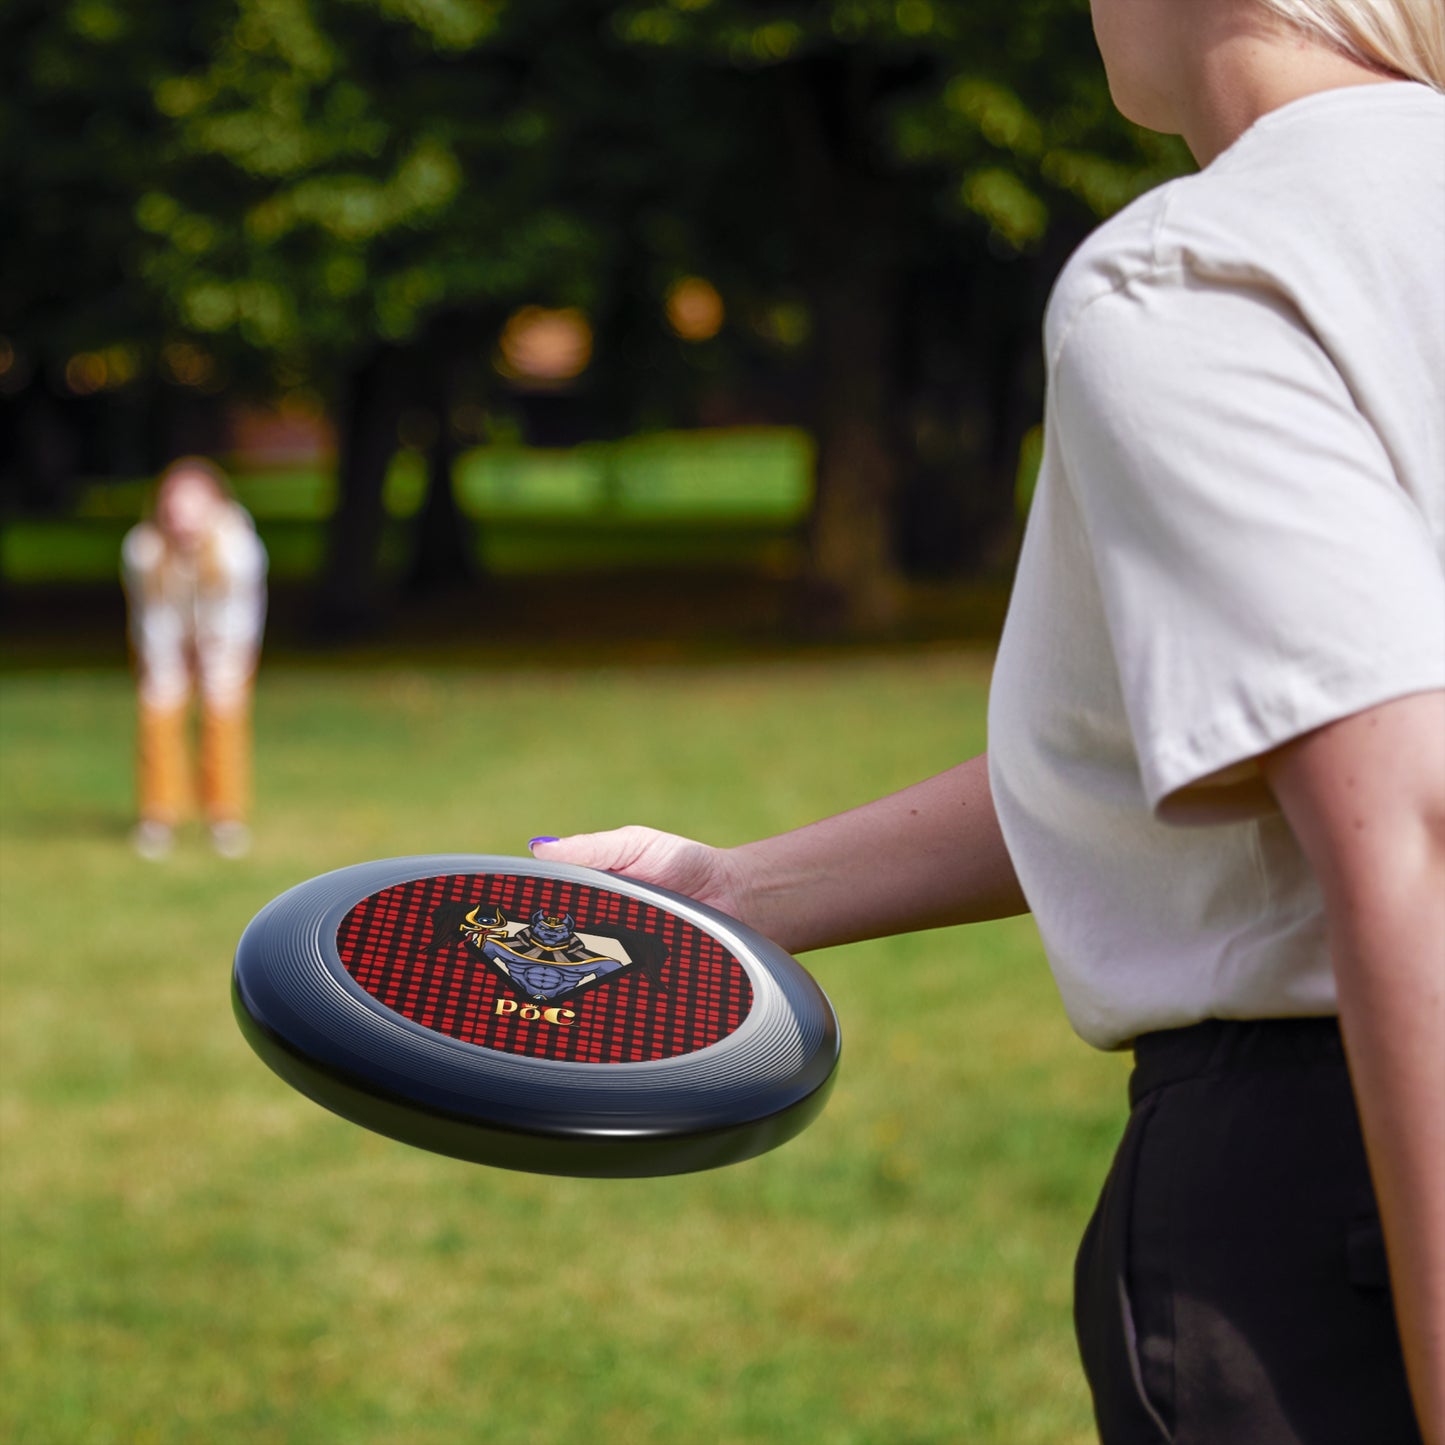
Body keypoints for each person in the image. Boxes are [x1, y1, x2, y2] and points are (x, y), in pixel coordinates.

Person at [528, 2, 1445, 1441]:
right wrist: (737, 891)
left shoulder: (1203, 270)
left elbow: (1408, 820)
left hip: (1341, 1191)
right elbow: (1223, 739)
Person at [121, 457, 268, 860]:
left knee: (223, 717)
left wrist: (214, 658)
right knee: (158, 713)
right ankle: (158, 816)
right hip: (165, 640)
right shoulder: (143, 549)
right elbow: (152, 615)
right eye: (174, 505)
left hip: (226, 642)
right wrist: (168, 663)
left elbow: (239, 615)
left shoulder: (239, 548)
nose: (182, 517)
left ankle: (225, 818)